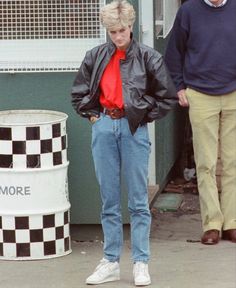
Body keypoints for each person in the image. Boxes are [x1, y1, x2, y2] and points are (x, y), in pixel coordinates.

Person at [71, 0, 177, 285]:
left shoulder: (148, 57)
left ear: (131, 27)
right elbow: (79, 93)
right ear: (107, 31)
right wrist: (95, 118)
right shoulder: (95, 56)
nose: (118, 36)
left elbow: (167, 97)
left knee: (138, 201)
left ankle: (141, 262)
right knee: (109, 198)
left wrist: (141, 115)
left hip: (134, 129)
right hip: (104, 125)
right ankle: (110, 260)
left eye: (122, 30)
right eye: (113, 31)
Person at [165, 0, 236, 245]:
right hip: (200, 93)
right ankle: (212, 224)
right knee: (205, 163)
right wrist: (179, 87)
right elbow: (173, 52)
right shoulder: (189, 12)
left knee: (232, 162)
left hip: (233, 94)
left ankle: (232, 222)